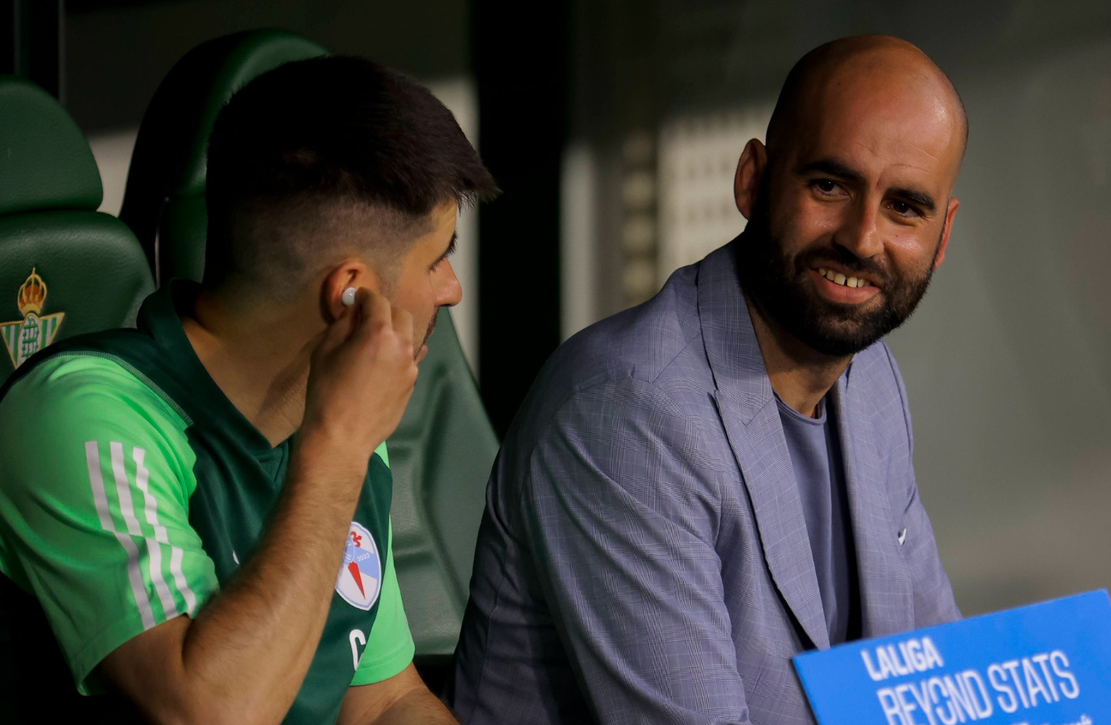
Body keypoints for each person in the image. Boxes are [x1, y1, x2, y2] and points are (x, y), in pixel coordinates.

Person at [450, 35, 966, 724]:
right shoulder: (628, 411)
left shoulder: (870, 380)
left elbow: (942, 686)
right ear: (752, 179)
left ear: (943, 235)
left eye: (905, 206)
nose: (863, 238)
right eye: (829, 185)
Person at [0, 56, 497, 724]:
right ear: (351, 293)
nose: (451, 289)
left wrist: (341, 444)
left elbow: (383, 699)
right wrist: (339, 446)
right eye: (437, 258)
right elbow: (213, 713)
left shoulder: (338, 428)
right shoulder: (86, 415)